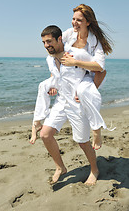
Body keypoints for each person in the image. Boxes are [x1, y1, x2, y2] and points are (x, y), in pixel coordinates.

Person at [30, 4, 112, 150]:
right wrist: (55, 80)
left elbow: (100, 67)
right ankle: (37, 121)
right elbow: (55, 51)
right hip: (72, 76)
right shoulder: (69, 33)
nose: (74, 22)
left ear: (88, 22)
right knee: (43, 86)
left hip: (91, 75)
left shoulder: (95, 42)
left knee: (83, 92)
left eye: (79, 20)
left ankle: (96, 128)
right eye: (73, 19)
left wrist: (75, 62)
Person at [36, 25, 102, 185]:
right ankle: (60, 167)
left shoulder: (77, 54)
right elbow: (55, 75)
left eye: (49, 41)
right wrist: (53, 86)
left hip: (77, 104)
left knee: (82, 142)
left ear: (60, 39)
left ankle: (94, 169)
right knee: (45, 134)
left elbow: (101, 71)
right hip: (60, 101)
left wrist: (86, 92)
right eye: (44, 42)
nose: (46, 45)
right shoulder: (49, 58)